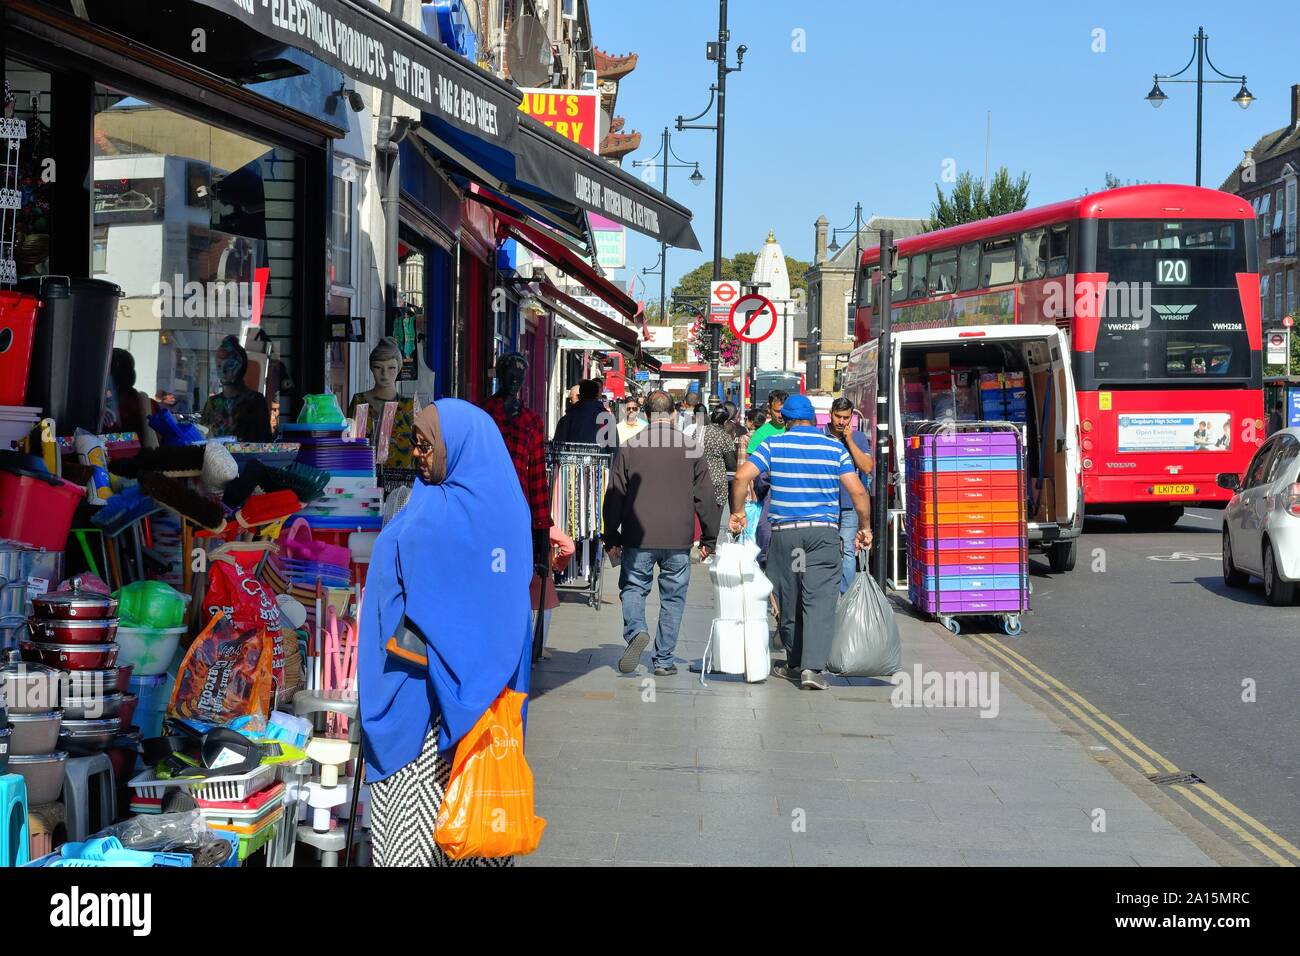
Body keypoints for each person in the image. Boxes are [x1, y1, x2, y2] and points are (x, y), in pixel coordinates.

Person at [359, 400, 533, 867]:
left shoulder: (429, 514)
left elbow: (414, 581)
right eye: (416, 444)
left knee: (412, 844)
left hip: (421, 712)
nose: (418, 455)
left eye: (426, 446)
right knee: (475, 840)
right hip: (488, 713)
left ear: (456, 447)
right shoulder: (509, 507)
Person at [730, 394, 872, 690]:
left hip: (788, 536)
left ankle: (793, 663)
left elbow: (742, 477)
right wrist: (865, 527)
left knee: (790, 597)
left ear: (785, 420)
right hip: (823, 536)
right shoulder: (834, 447)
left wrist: (738, 512)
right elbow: (858, 492)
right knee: (819, 599)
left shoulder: (773, 444)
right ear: (814, 419)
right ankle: (812, 669)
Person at [603, 391, 720, 676]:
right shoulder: (692, 448)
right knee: (673, 598)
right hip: (678, 539)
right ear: (673, 415)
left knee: (633, 588)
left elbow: (615, 495)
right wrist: (709, 538)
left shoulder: (630, 447)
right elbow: (706, 496)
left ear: (645, 414)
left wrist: (611, 536)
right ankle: (664, 660)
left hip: (637, 536)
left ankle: (636, 632)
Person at [826, 397, 875, 593]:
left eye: (846, 418)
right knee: (827, 550)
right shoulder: (821, 435)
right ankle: (828, 591)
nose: (841, 422)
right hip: (825, 503)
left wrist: (849, 440)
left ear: (851, 417)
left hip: (848, 504)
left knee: (847, 550)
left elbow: (866, 467)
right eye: (838, 416)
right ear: (831, 414)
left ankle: (845, 594)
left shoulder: (859, 438)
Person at [350, 337, 416, 469]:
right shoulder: (360, 402)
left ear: (399, 368)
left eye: (391, 368)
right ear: (371, 368)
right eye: (378, 367)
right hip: (364, 478)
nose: (384, 374)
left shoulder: (409, 407)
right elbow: (350, 444)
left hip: (402, 483)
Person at [200, 335, 271, 442]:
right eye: (219, 364)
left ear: (240, 365)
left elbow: (262, 443)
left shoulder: (255, 401)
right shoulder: (212, 403)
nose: (223, 369)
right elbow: (202, 437)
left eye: (229, 363)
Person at [554, 379, 618, 448]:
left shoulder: (567, 418)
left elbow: (558, 445)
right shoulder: (607, 419)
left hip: (572, 457)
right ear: (596, 395)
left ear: (580, 395)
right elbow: (613, 449)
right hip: (599, 457)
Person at [700, 406, 738, 509]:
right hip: (718, 481)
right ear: (725, 421)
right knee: (714, 520)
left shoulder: (699, 432)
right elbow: (731, 464)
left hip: (699, 479)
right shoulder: (724, 436)